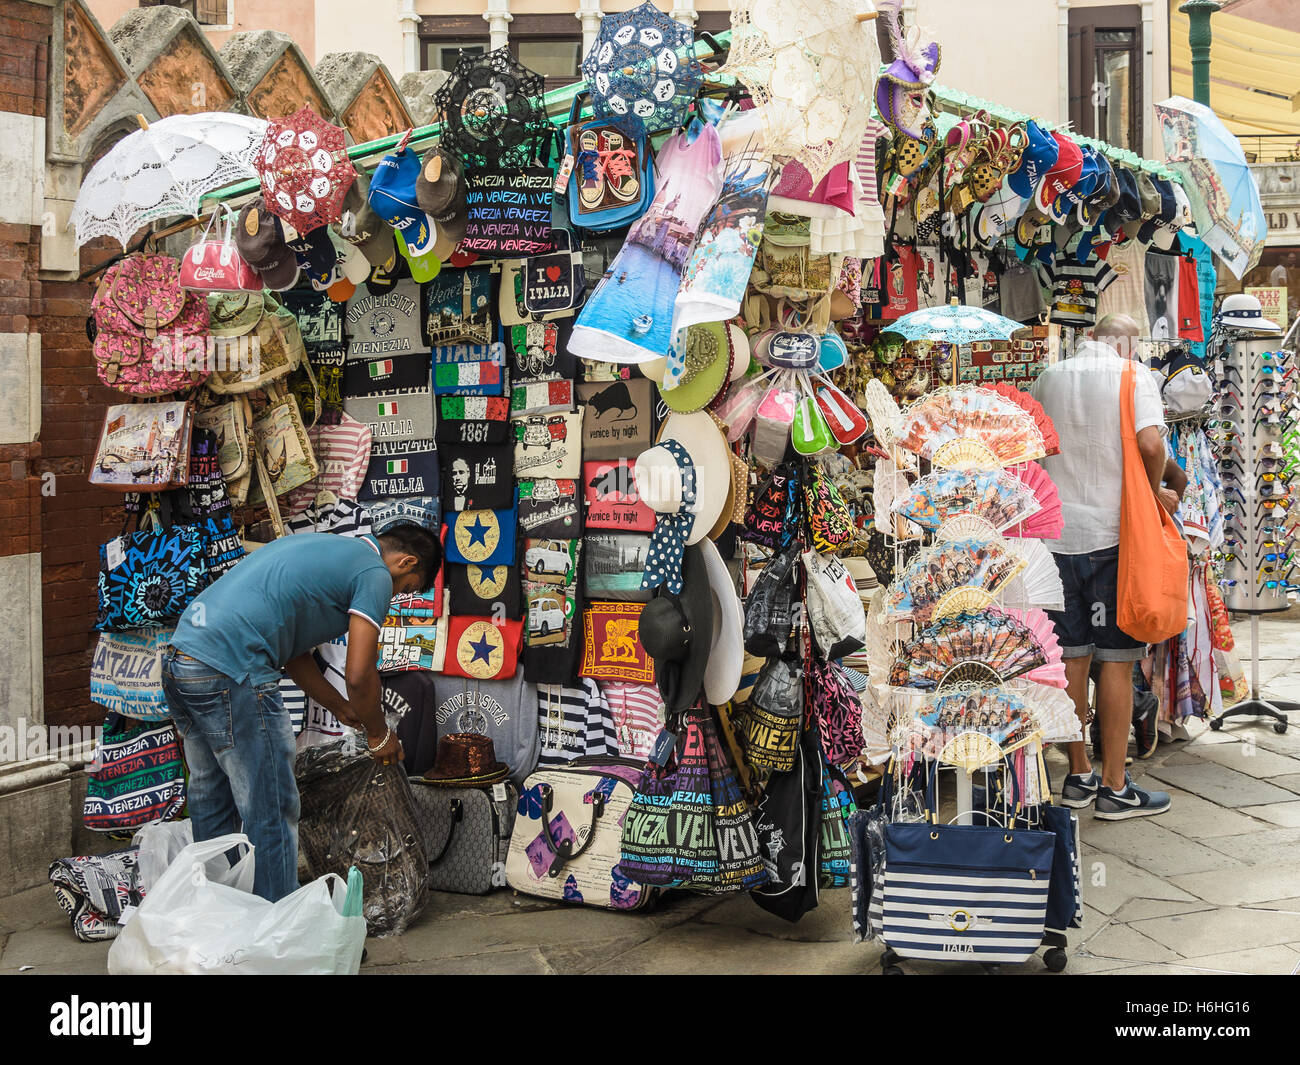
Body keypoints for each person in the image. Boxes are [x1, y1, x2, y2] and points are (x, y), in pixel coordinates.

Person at [160, 523, 443, 901]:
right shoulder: (373, 572)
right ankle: (278, 927)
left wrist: (339, 707)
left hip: (184, 661)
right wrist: (380, 735)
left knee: (212, 794)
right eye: (405, 587)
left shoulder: (324, 549)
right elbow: (360, 674)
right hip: (234, 671)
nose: (394, 597)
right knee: (272, 806)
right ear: (405, 561)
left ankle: (217, 913)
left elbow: (294, 655)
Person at [1031, 314, 1186, 821]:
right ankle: (1115, 787)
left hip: (1056, 538)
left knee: (1071, 658)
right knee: (1116, 662)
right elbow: (1149, 443)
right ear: (1125, 344)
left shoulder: (1049, 376)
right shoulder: (1133, 375)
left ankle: (1077, 776)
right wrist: (1150, 491)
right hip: (1111, 537)